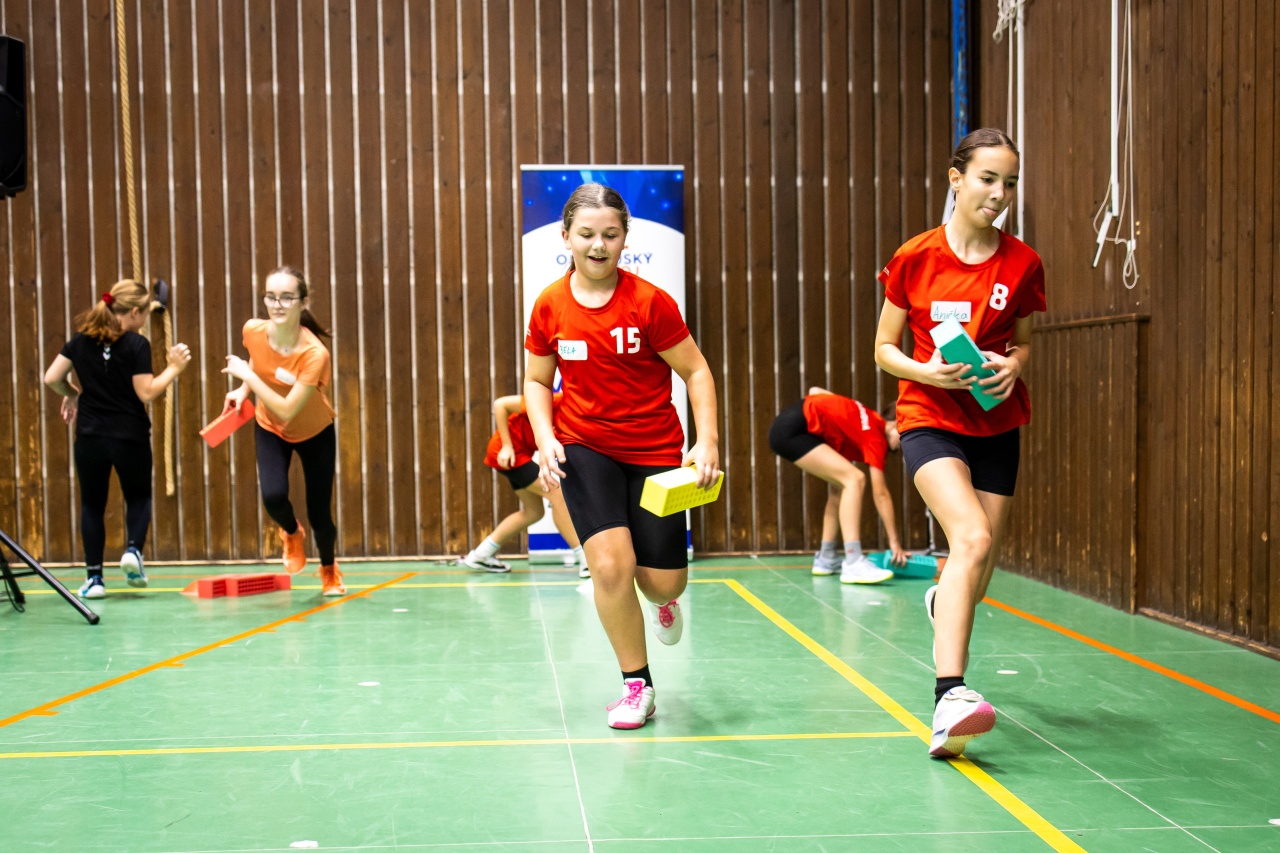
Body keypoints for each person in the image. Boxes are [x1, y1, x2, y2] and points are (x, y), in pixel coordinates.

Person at [874, 128, 1045, 758]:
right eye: (987, 178)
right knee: (969, 536)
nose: (999, 193)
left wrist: (1013, 366)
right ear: (957, 179)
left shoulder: (1023, 263)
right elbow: (884, 348)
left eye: (1009, 183)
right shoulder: (914, 257)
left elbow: (1023, 341)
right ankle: (950, 698)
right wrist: (925, 372)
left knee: (978, 568)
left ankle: (942, 598)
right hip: (929, 416)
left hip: (997, 423)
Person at [524, 183, 720, 730]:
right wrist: (545, 436)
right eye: (586, 234)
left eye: (610, 234)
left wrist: (707, 440)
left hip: (654, 449)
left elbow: (696, 371)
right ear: (566, 237)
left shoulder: (650, 303)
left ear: (624, 239)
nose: (598, 245)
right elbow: (536, 381)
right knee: (611, 565)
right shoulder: (550, 305)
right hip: (584, 445)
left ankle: (664, 603)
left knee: (663, 582)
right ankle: (638, 685)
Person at [43, 279, 192, 598]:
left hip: (90, 438)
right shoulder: (136, 344)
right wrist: (174, 368)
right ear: (135, 312)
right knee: (138, 498)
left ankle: (95, 579)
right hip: (129, 437)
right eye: (144, 313)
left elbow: (52, 377)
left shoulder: (80, 341)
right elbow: (146, 392)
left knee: (92, 505)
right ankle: (133, 550)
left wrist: (73, 392)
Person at [221, 265, 344, 596]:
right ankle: (291, 532)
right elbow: (258, 362)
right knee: (273, 497)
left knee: (320, 514)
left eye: (287, 298)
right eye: (271, 297)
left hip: (314, 431)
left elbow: (288, 408)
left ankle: (329, 570)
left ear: (303, 303)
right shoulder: (253, 330)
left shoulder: (315, 354)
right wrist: (242, 391)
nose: (277, 305)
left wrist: (247, 377)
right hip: (270, 427)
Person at [767, 387, 904, 583]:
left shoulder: (866, 415)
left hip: (789, 426)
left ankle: (826, 557)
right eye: (905, 435)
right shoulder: (875, 436)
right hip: (793, 430)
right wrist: (895, 543)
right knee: (855, 479)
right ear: (898, 423)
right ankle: (854, 561)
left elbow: (814, 390)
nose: (903, 444)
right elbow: (881, 494)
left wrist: (828, 410)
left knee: (839, 487)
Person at [461, 393, 589, 577]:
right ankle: (585, 560)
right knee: (556, 494)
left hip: (519, 455)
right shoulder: (554, 400)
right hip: (508, 453)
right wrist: (507, 445)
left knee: (534, 512)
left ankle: (480, 555)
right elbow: (501, 404)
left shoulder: (576, 417)